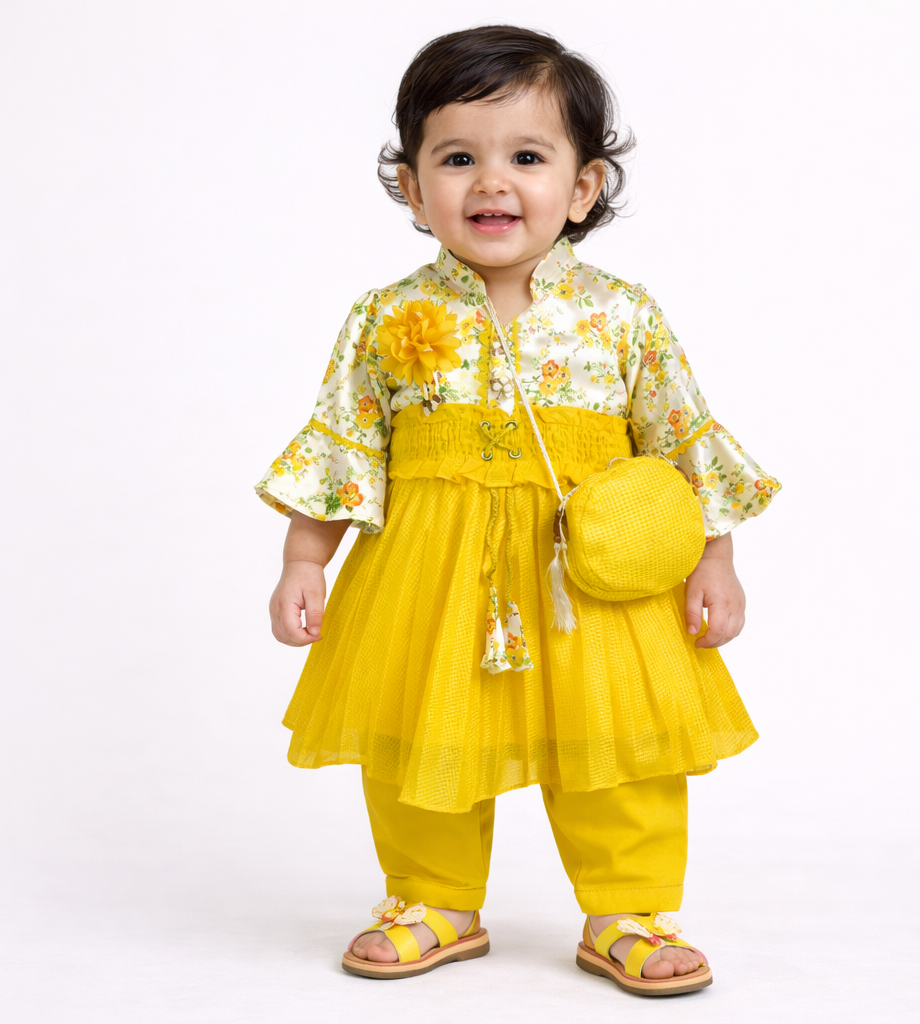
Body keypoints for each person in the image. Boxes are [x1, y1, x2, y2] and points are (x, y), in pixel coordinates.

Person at [256, 25, 780, 996]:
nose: (491, 181)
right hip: (430, 574)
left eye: (528, 158)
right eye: (457, 158)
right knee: (425, 733)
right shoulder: (385, 317)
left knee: (619, 744)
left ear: (583, 187)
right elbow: (342, 449)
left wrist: (717, 560)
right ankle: (431, 897)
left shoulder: (621, 315)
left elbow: (682, 445)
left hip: (595, 581)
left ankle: (630, 907)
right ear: (413, 188)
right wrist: (303, 561)